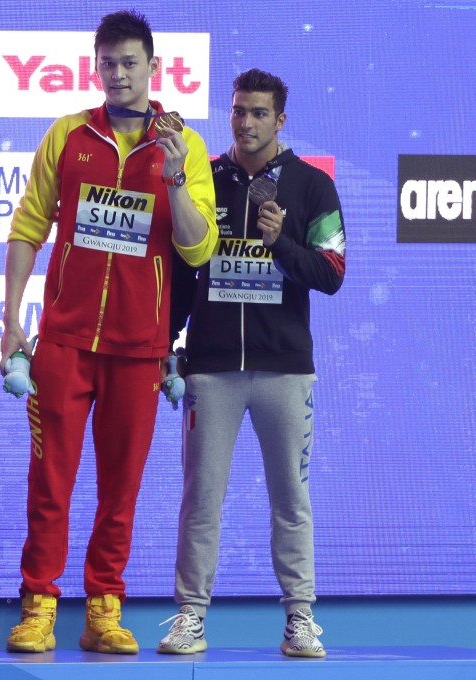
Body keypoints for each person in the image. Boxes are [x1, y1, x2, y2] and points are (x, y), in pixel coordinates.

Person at [0, 9, 218, 655]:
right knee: (50, 483)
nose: (119, 74)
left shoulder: (187, 145)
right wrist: (12, 319)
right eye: (109, 63)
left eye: (131, 63)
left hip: (139, 349)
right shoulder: (67, 135)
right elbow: (28, 228)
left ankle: (104, 610)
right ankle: (38, 605)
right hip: (63, 343)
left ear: (154, 68)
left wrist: (175, 175)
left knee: (120, 489)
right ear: (96, 67)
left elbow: (198, 248)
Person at [157, 69, 346, 658]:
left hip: (285, 370)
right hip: (211, 368)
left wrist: (281, 244)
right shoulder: (206, 180)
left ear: (281, 119)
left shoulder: (313, 186)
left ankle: (299, 619)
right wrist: (169, 341)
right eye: (239, 111)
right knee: (201, 495)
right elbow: (183, 272)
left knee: (291, 496)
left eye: (259, 113)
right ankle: (189, 616)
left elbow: (333, 274)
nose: (246, 121)